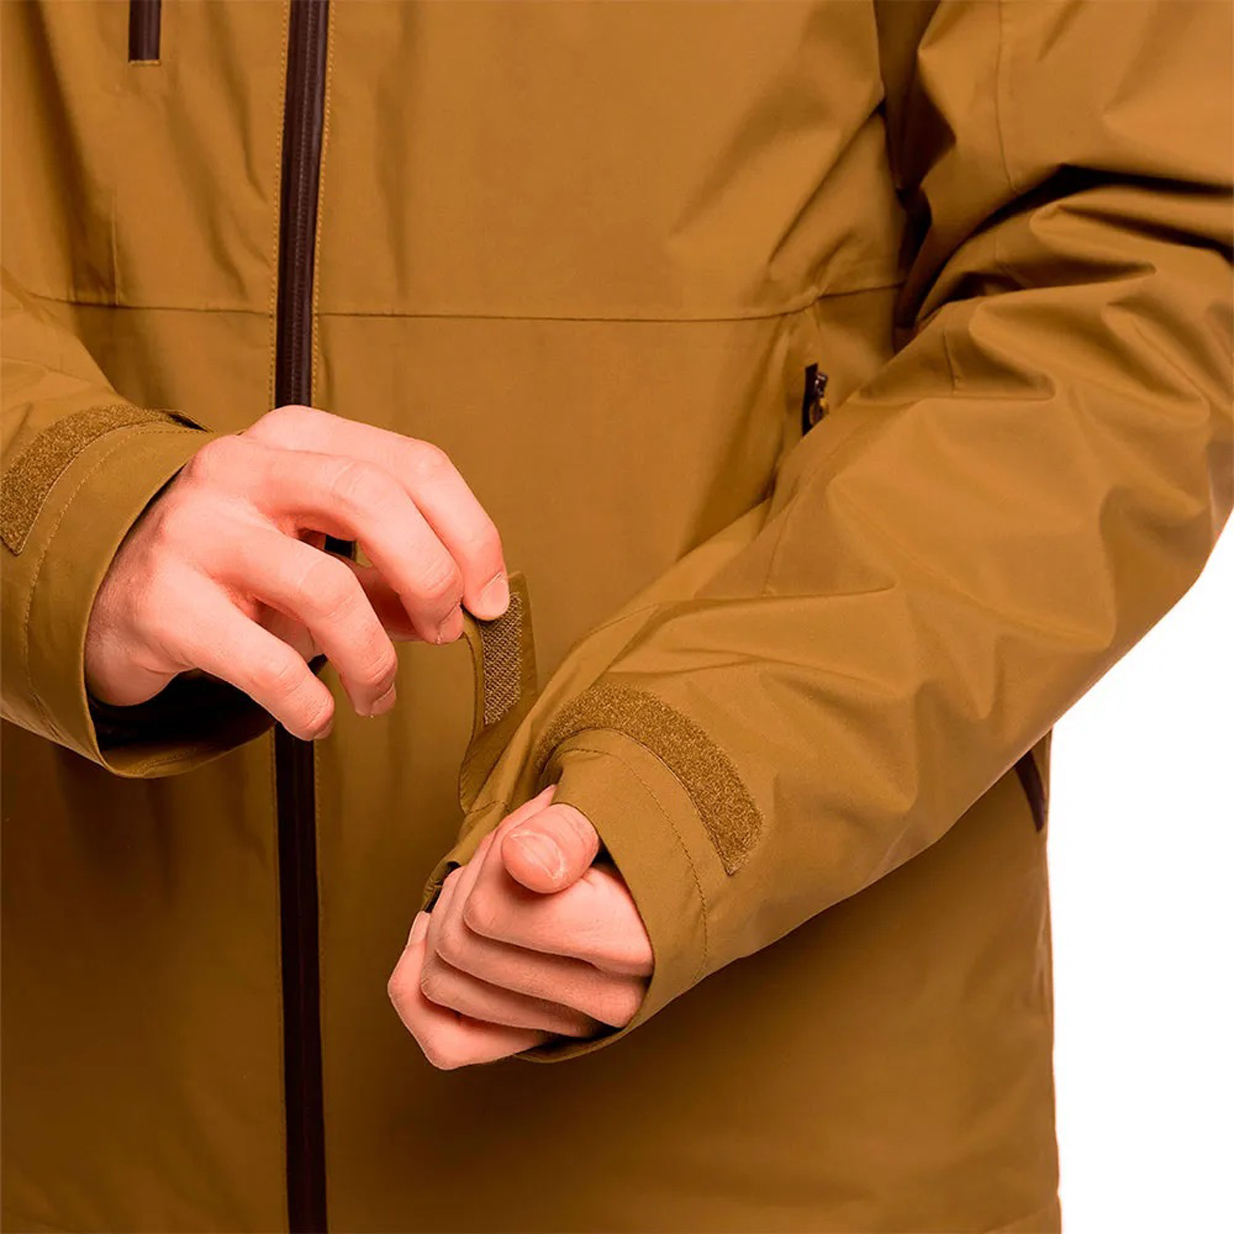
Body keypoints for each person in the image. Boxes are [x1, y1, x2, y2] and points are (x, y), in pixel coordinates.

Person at [2, 1, 1229, 1231]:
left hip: (774, 1124)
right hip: (69, 1113)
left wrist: (708, 779)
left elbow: (1135, 283)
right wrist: (62, 508)